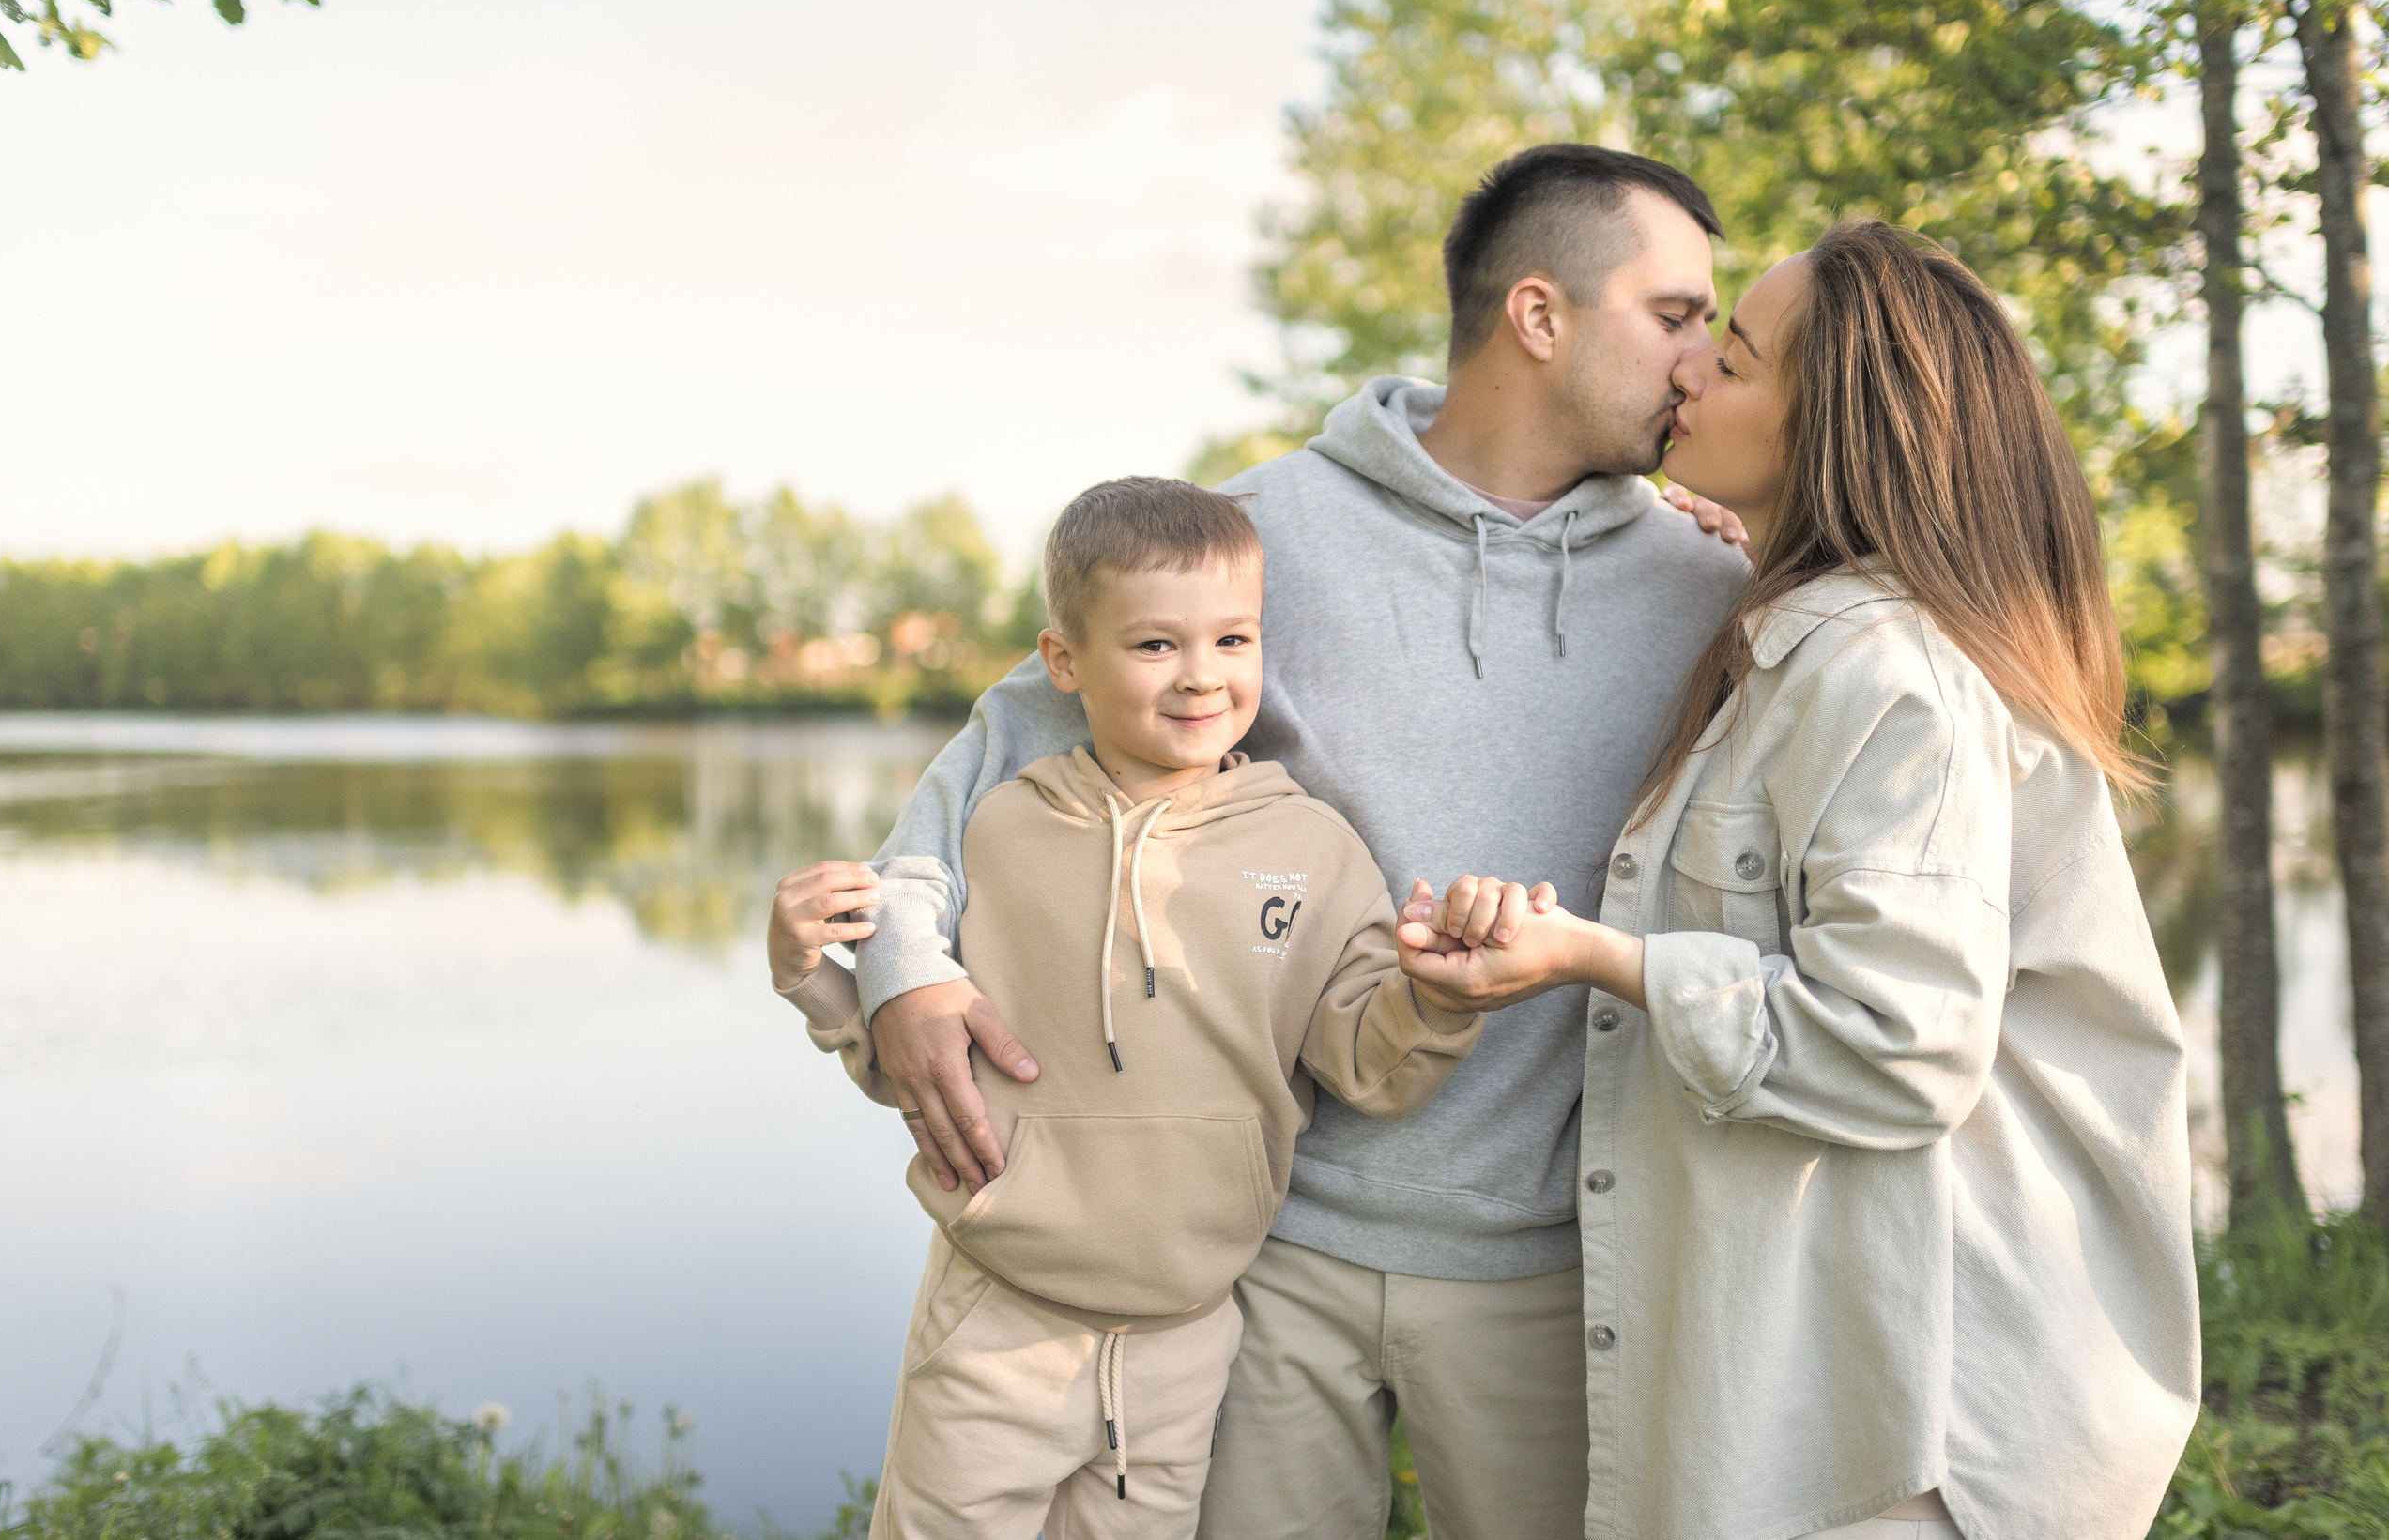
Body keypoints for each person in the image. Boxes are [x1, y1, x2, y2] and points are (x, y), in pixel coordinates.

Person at [768, 144, 1753, 1537]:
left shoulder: (1716, 584)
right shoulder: (1255, 537)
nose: (1703, 359)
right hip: (1266, 1257)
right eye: (1678, 315)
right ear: (1541, 316)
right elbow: (988, 764)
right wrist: (904, 973)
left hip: (1555, 1262)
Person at [1401, 219, 2200, 1539]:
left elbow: (1897, 1042)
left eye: (1737, 357)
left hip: (1905, 1428)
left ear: (1835, 422)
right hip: (1829, 1385)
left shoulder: (1884, 672)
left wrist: (1595, 956)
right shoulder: (1802, 636)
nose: (1690, 379)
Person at [772, 477, 1490, 1538]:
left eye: (1233, 639)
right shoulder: (997, 832)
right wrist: (810, 974)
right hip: (995, 1317)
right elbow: (908, 1063)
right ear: (1064, 662)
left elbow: (1369, 1065)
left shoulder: (1315, 847)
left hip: (1186, 1336)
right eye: (1155, 645)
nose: (1202, 676)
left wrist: (1434, 993)